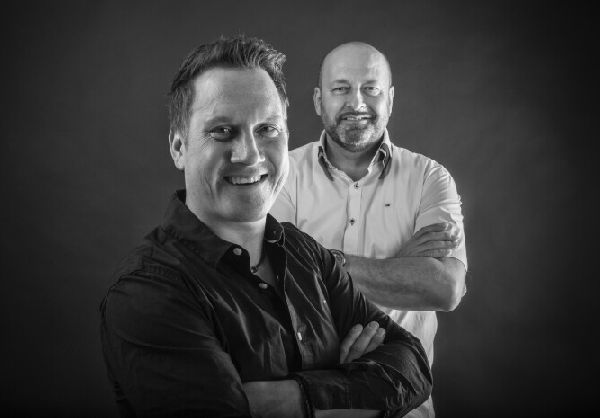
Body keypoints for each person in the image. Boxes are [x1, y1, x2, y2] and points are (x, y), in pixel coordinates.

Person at [100, 35, 432, 418]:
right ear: (178, 147)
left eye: (267, 129)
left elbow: (412, 365)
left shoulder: (306, 253)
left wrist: (287, 399)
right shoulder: (148, 292)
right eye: (222, 131)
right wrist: (350, 384)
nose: (250, 154)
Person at [271, 42, 468, 418]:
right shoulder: (283, 174)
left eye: (370, 89)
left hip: (403, 404)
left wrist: (320, 267)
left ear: (390, 99)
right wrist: (402, 264)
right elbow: (272, 283)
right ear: (319, 100)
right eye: (341, 88)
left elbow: (444, 288)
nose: (356, 102)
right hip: (308, 403)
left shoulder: (430, 178)